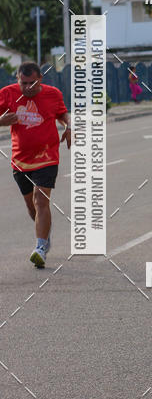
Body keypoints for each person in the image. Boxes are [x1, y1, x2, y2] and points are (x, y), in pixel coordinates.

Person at [0, 62, 71, 268]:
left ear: (40, 79)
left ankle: (40, 247)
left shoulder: (53, 94)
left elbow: (62, 113)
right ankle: (45, 234)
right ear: (17, 80)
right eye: (24, 83)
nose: (28, 87)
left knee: (41, 200)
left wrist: (68, 126)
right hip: (20, 159)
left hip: (47, 156)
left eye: (33, 83)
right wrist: (1, 121)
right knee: (32, 208)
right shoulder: (7, 94)